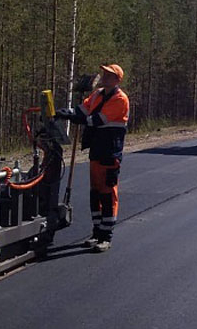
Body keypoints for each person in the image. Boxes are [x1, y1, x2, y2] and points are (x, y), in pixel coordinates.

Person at [56, 64, 130, 252]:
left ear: (116, 80)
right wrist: (64, 112)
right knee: (95, 192)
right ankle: (96, 232)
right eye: (104, 73)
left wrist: (74, 118)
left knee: (107, 193)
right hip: (96, 151)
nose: (104, 76)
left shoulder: (120, 100)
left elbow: (95, 120)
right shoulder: (97, 95)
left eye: (109, 75)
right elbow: (82, 110)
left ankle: (106, 236)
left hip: (109, 152)